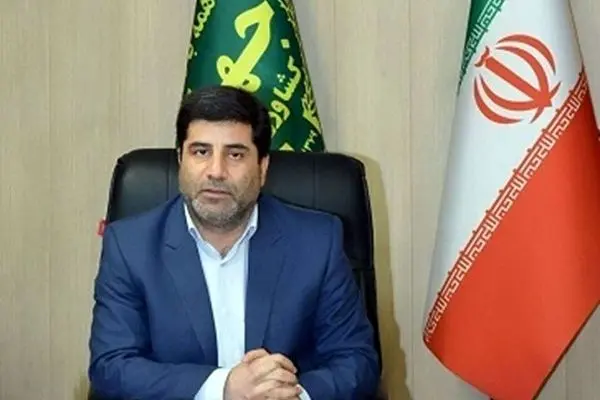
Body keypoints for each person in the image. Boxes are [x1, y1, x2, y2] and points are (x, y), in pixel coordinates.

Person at [88, 85, 380, 400]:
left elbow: (357, 361)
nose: (216, 171)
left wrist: (291, 395)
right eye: (201, 152)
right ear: (181, 160)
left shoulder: (317, 242)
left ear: (262, 167)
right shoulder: (130, 247)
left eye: (235, 154)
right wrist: (224, 387)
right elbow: (111, 367)